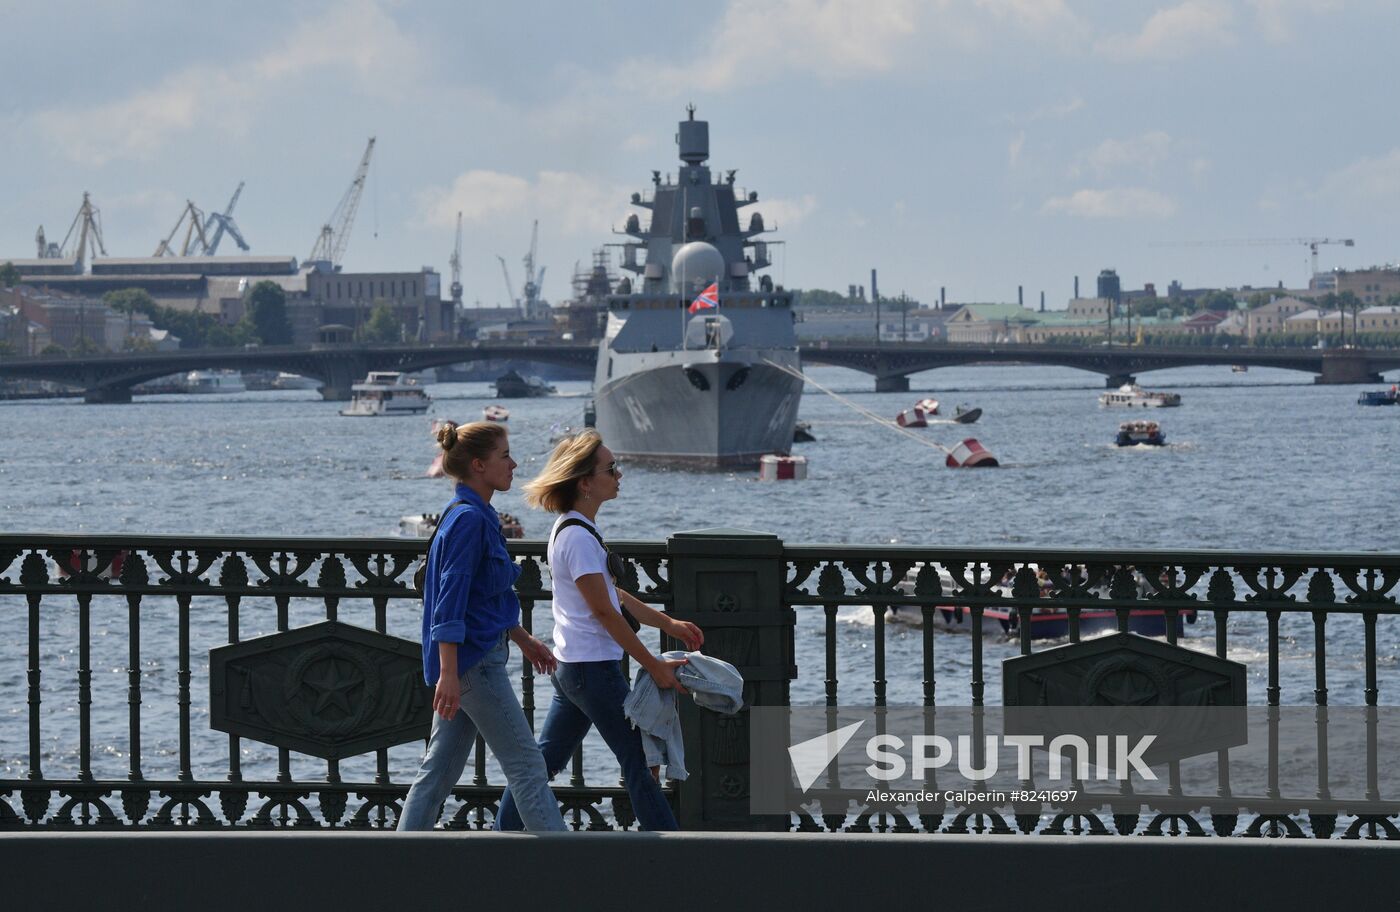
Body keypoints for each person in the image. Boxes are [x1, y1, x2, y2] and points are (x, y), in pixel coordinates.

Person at [496, 430, 703, 831]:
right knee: (639, 761)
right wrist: (653, 665)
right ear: (585, 482)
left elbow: (614, 595)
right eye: (610, 468)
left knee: (543, 763)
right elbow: (607, 614)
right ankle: (676, 857)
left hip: (574, 670)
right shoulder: (578, 537)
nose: (619, 474)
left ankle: (502, 835)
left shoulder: (573, 530)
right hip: (593, 671)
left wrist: (668, 623)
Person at [397, 421, 566, 832]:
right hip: (474, 665)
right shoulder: (469, 521)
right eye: (504, 456)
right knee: (527, 765)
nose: (514, 464)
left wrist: (522, 637)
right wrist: (450, 674)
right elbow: (449, 602)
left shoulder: (476, 515)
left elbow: (482, 597)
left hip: (471, 662)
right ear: (477, 464)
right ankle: (568, 870)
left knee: (436, 774)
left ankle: (397, 864)